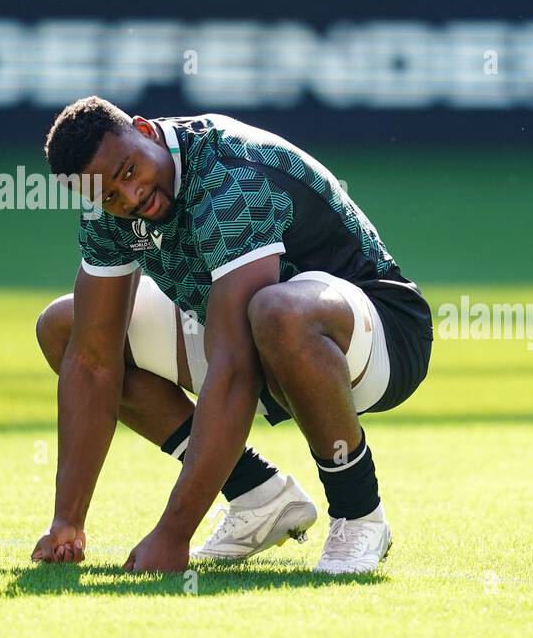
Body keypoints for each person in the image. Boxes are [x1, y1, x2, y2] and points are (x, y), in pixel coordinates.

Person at [32, 97, 431, 574]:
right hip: (259, 342)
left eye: (130, 171)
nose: (131, 196)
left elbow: (235, 368)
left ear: (145, 130)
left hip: (377, 338)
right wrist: (66, 521)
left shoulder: (228, 174)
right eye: (110, 195)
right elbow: (93, 361)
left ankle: (359, 515)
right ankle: (258, 496)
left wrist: (172, 534)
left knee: (275, 311)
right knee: (67, 328)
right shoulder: (108, 211)